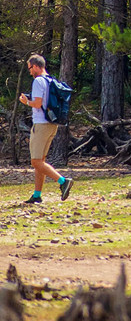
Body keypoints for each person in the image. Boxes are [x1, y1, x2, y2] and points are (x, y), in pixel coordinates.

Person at [17, 54, 71, 207]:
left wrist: (26, 101)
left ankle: (63, 181)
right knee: (41, 161)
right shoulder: (50, 80)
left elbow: (37, 103)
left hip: (40, 125)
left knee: (35, 161)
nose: (29, 72)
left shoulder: (38, 81)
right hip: (51, 124)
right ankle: (37, 194)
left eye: (29, 68)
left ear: (35, 66)